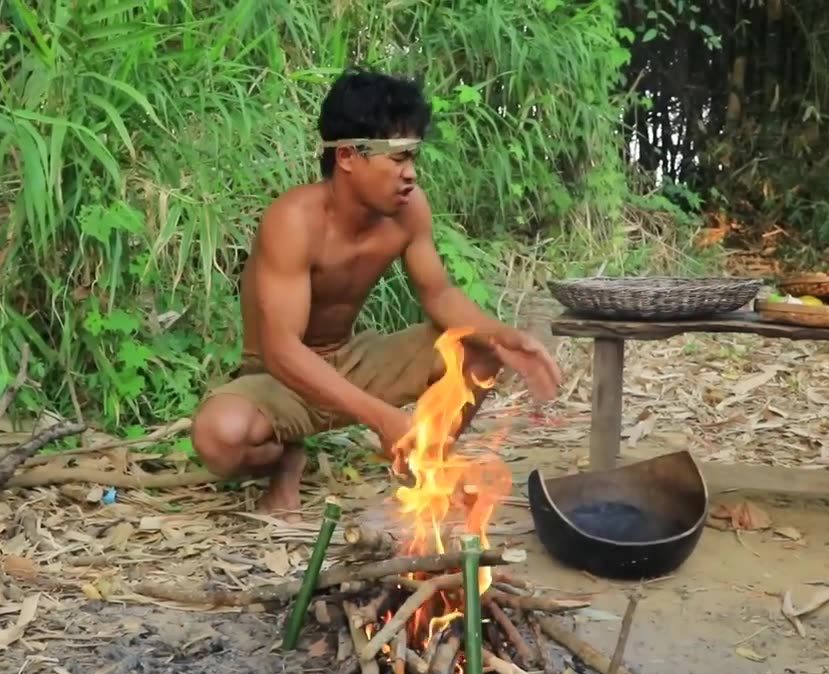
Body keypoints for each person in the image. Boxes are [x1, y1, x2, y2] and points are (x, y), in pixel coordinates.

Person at [190, 68, 562, 515]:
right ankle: (286, 460)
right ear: (347, 156)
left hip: (353, 360)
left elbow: (439, 295)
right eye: (399, 158)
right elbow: (281, 349)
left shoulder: (409, 210)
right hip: (280, 378)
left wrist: (504, 337)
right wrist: (381, 417)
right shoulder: (293, 220)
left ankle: (422, 466)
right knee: (221, 435)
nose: (410, 174)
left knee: (477, 348)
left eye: (414, 158)